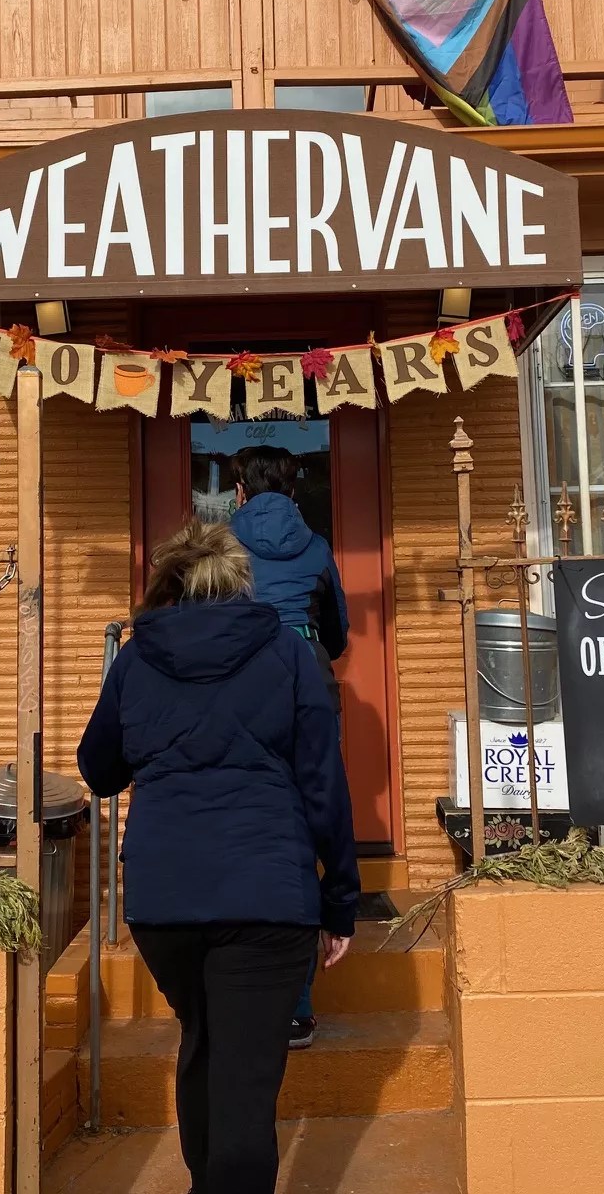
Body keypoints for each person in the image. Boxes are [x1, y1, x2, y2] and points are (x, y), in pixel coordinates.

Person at [78, 520, 358, 1194]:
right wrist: (340, 901)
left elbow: (99, 769)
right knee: (244, 1078)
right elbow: (323, 782)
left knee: (204, 1044)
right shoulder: (288, 653)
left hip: (163, 895)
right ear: (241, 580)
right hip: (264, 892)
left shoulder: (135, 658)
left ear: (172, 582)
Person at [229, 445, 350, 1047]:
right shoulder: (318, 547)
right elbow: (340, 633)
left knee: (246, 829)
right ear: (294, 492)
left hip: (244, 687)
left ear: (241, 493)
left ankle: (241, 994)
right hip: (309, 683)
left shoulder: (221, 545)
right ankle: (298, 1007)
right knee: (304, 831)